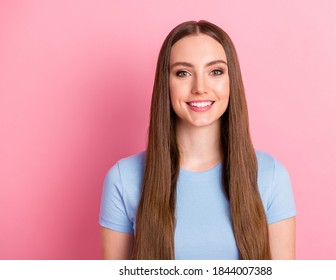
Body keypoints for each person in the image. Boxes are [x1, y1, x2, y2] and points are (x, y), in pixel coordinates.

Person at [99, 20, 296, 260]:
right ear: (166, 83)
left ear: (231, 80)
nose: (200, 87)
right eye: (183, 73)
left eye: (215, 72)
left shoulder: (271, 175)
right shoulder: (123, 178)